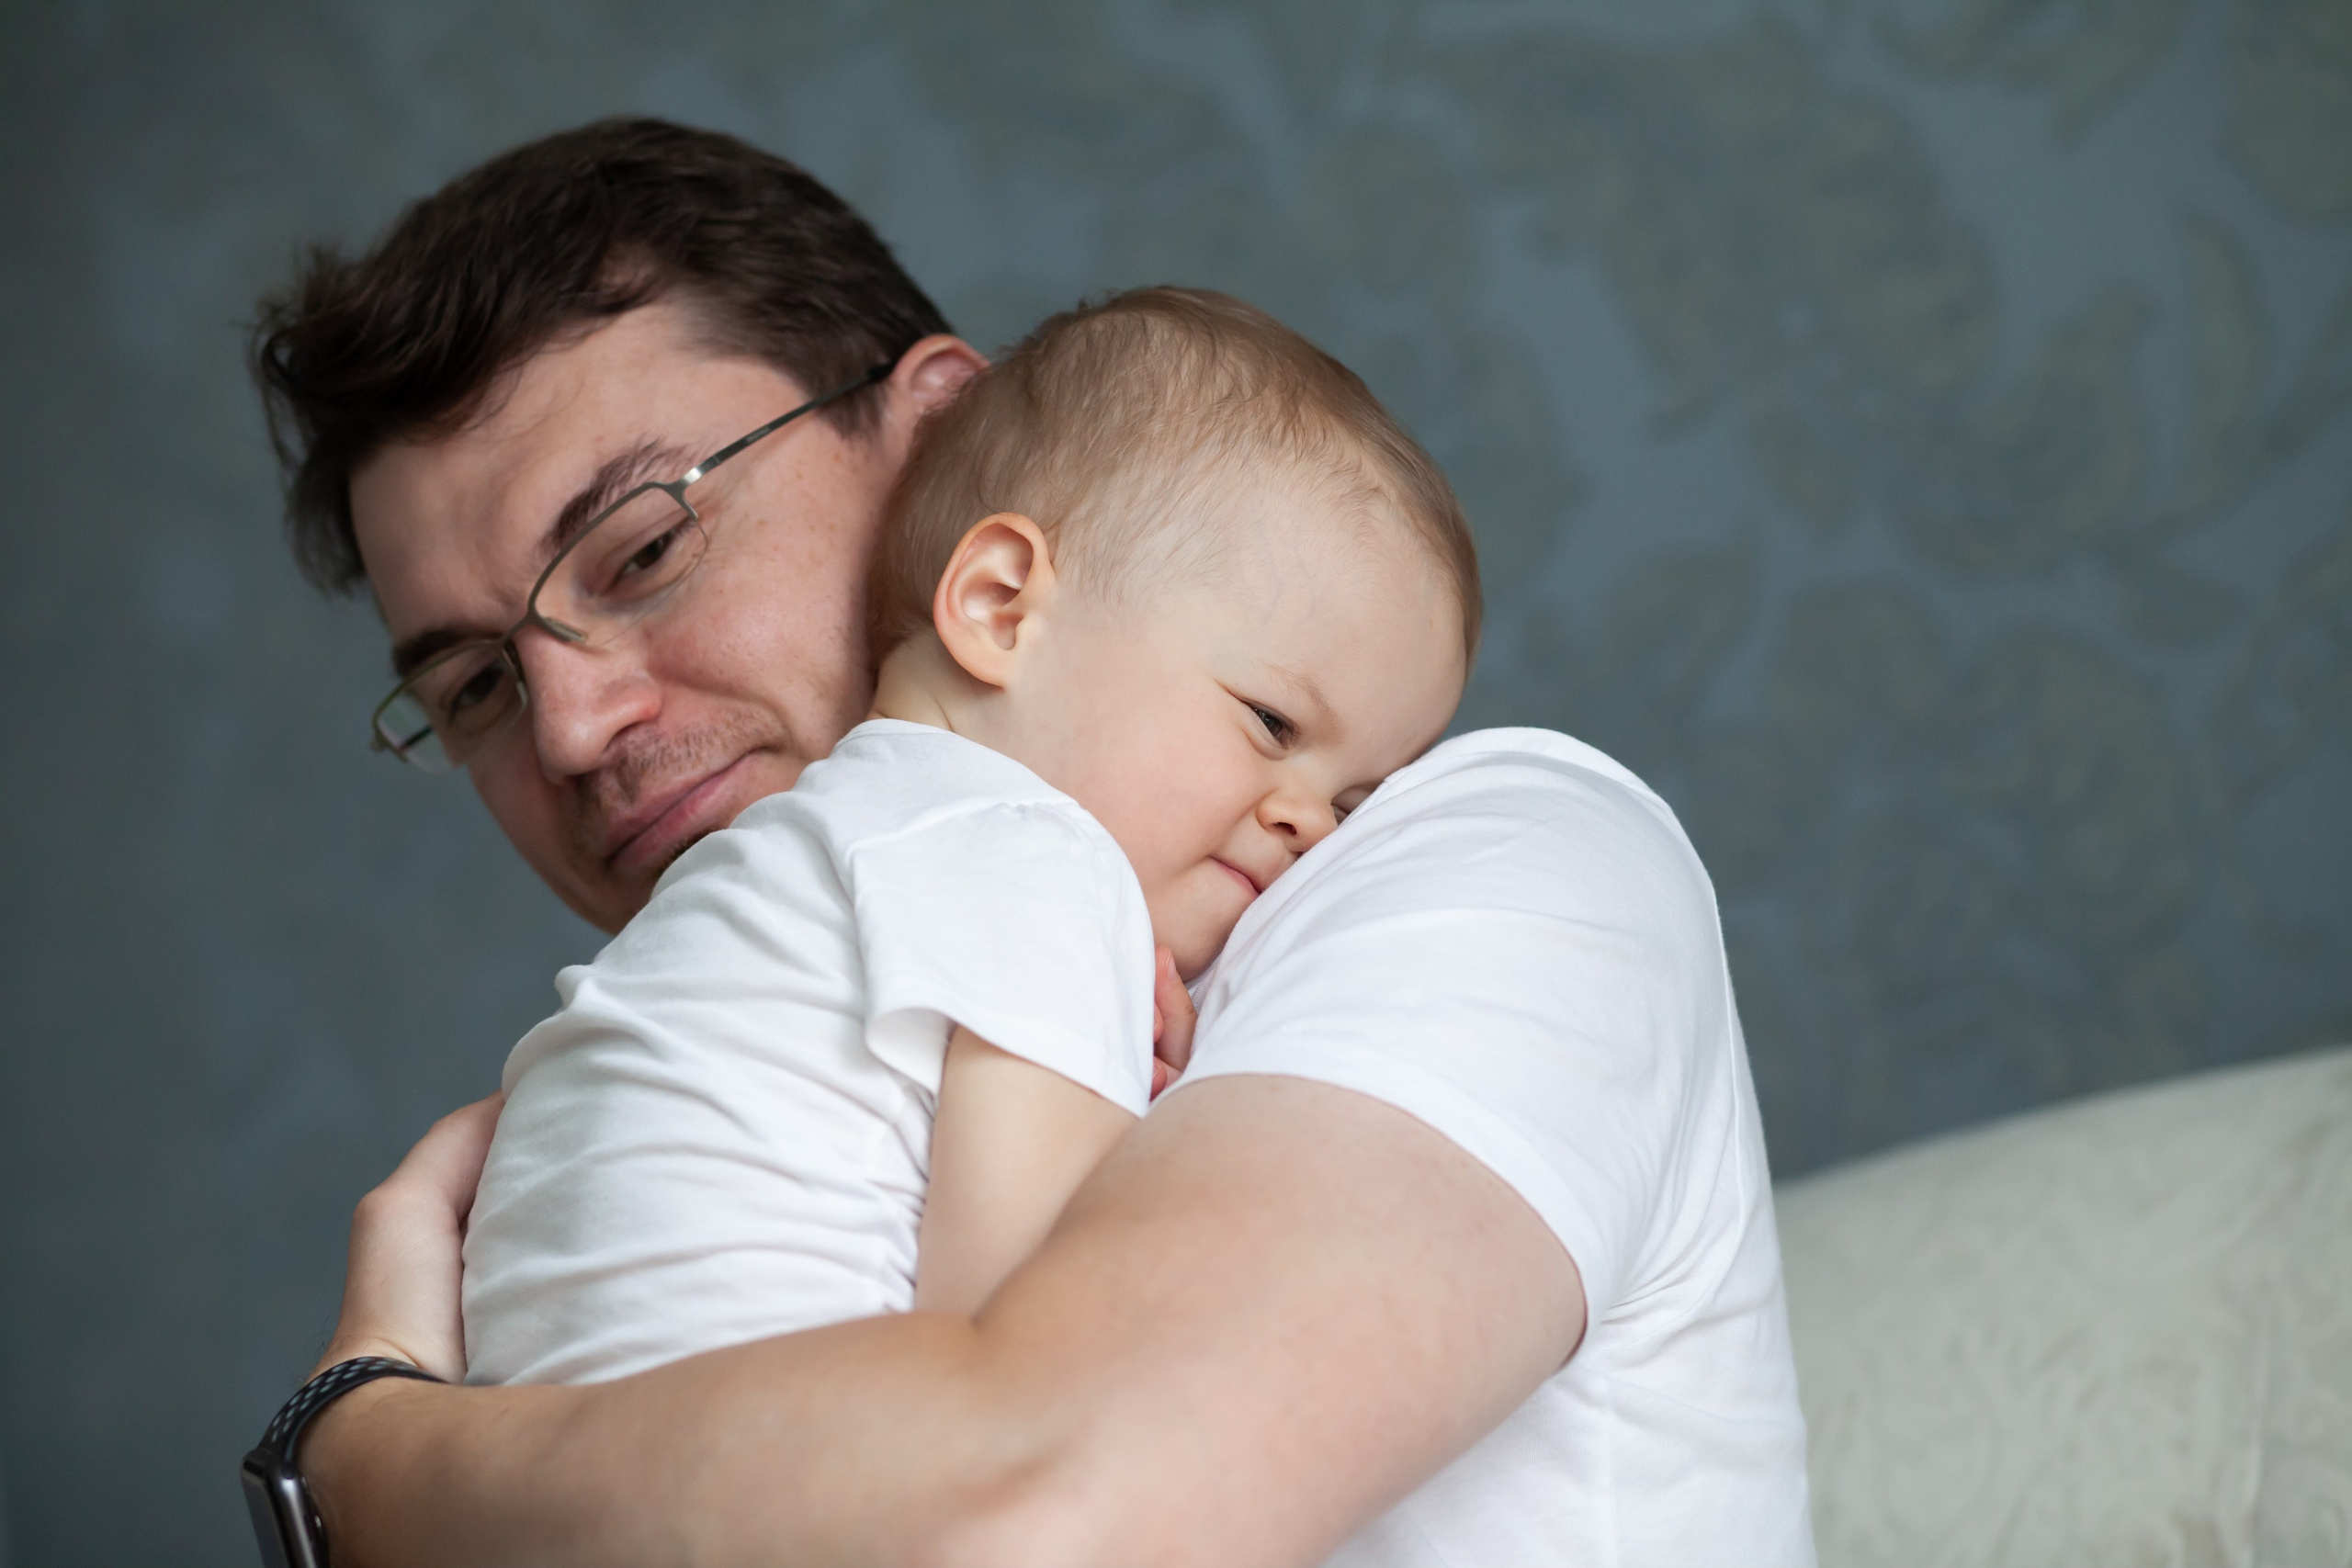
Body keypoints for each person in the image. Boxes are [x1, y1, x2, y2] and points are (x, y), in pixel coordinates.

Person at [252, 117, 1814, 1566]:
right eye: (474, 687)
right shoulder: (690, 1070)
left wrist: (366, 1448)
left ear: (942, 436)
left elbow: (1030, 1508)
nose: (571, 727)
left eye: (646, 547)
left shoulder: (1494, 867)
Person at [459, 287, 1474, 1388]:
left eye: (1352, 803)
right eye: (1271, 723)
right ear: (1000, 607)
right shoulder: (1032, 854)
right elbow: (1041, 1363)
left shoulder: (777, 862)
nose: (1308, 823)